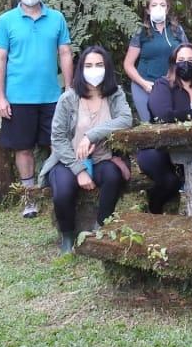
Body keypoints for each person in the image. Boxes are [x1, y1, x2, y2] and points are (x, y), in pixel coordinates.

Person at [0, 0, 73, 219]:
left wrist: (69, 90)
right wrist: (1, 97)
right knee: (23, 148)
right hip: (18, 98)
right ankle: (29, 198)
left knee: (57, 144)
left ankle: (60, 191)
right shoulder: (6, 21)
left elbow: (65, 53)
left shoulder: (57, 18)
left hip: (52, 97)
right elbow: (0, 59)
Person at [39, 46, 133, 252]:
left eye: (99, 65)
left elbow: (126, 120)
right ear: (80, 69)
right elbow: (58, 138)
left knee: (112, 176)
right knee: (63, 190)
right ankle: (67, 237)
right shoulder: (68, 98)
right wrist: (79, 170)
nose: (94, 70)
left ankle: (100, 227)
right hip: (68, 160)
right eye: (88, 65)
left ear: (107, 68)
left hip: (102, 158)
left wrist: (91, 135)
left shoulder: (115, 94)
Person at [136, 43, 192, 213]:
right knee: (170, 181)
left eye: (191, 60)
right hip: (159, 148)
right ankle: (154, 210)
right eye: (181, 60)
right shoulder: (163, 84)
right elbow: (163, 115)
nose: (186, 63)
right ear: (174, 63)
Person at [123, 0, 188, 123]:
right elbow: (128, 64)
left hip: (173, 85)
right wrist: (143, 83)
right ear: (148, 9)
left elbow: (188, 56)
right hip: (145, 86)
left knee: (174, 124)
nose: (158, 8)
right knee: (150, 126)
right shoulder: (141, 31)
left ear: (167, 9)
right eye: (154, 5)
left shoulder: (177, 30)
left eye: (162, 5)